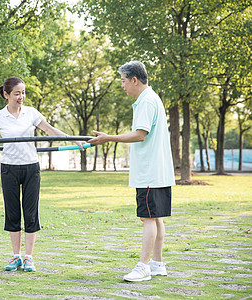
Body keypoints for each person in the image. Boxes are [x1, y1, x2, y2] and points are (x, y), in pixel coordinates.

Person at [0, 76, 83, 272]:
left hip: (31, 167)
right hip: (9, 168)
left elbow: (49, 129)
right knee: (13, 212)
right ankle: (16, 256)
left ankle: (29, 258)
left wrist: (73, 140)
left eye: (23, 93)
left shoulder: (31, 113)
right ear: (6, 95)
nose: (21, 97)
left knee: (31, 212)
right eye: (17, 93)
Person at [88, 61, 175, 282]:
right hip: (158, 171)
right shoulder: (150, 99)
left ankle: (143, 266)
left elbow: (140, 134)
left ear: (134, 80)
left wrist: (109, 138)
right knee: (155, 218)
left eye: (124, 81)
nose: (123, 86)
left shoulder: (146, 101)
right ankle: (157, 263)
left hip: (149, 172)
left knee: (148, 218)